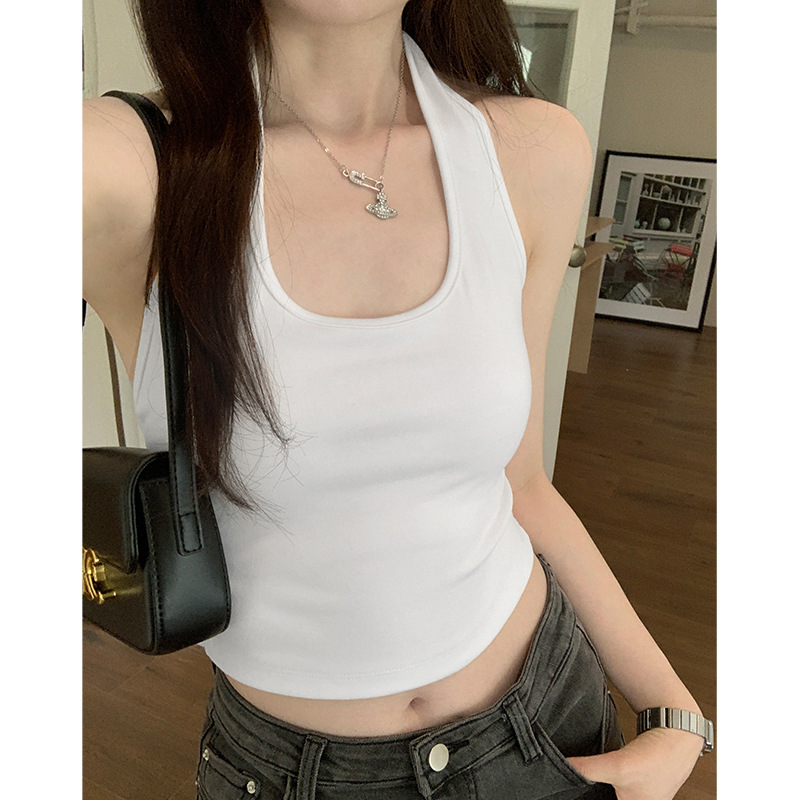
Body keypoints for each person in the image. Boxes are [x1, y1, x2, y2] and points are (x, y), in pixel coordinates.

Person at [83, 1, 712, 798]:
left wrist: (673, 709)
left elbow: (523, 484)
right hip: (293, 775)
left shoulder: (532, 149)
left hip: (548, 722)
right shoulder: (126, 165)